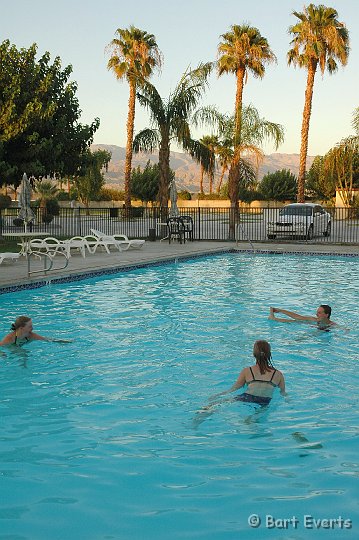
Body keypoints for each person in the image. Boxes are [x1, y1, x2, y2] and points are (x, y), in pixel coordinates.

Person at [210, 340, 286, 406]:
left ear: (254, 354)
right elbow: (282, 393)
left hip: (247, 397)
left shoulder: (247, 371)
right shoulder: (278, 374)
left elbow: (235, 388)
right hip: (265, 401)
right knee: (255, 418)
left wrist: (219, 395)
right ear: (269, 354)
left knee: (217, 404)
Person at [0, 316, 72, 347]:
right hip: (12, 346)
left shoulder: (30, 335)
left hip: (19, 345)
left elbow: (46, 339)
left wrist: (63, 341)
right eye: (30, 326)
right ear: (21, 328)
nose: (32, 328)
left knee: (23, 353)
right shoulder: (10, 338)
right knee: (22, 353)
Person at [269, 305, 337, 329]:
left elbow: (341, 328)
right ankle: (274, 319)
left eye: (319, 313)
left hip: (325, 332)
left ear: (326, 315)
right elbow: (298, 317)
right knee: (296, 321)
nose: (316, 314)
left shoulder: (331, 324)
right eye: (317, 312)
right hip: (316, 327)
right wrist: (280, 310)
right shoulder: (316, 320)